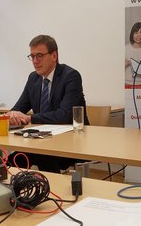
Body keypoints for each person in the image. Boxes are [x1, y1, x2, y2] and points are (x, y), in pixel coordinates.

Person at [7, 34, 88, 172]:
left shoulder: (71, 76)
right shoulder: (33, 78)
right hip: (41, 140)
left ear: (54, 56)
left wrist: (29, 118)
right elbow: (19, 108)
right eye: (32, 56)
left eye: (39, 55)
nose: (35, 61)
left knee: (43, 156)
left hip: (71, 140)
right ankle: (12, 191)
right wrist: (12, 115)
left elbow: (65, 115)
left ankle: (51, 191)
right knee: (10, 162)